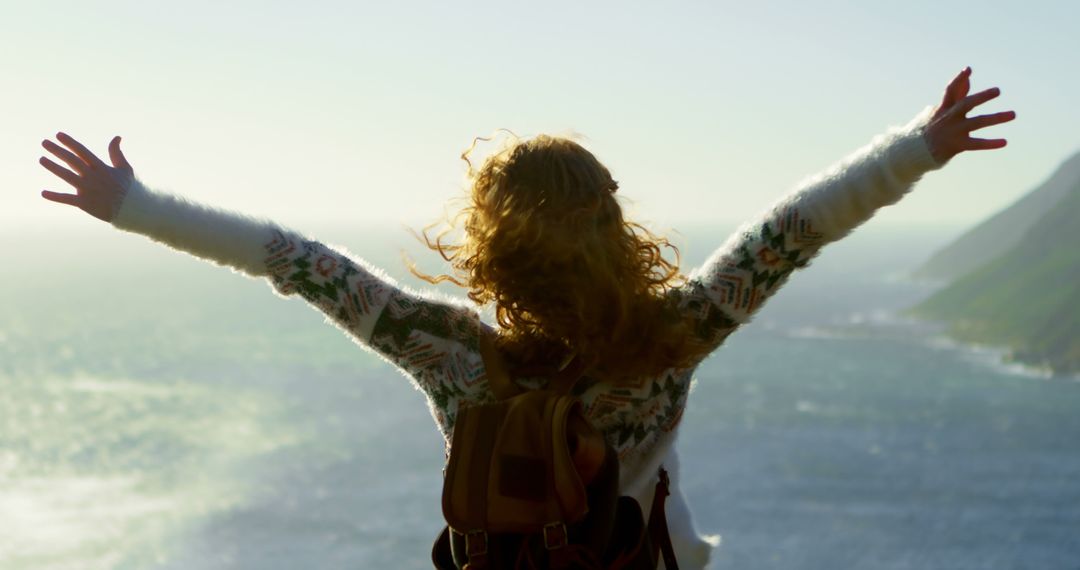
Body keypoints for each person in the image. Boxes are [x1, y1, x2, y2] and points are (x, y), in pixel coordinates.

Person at [39, 67, 1014, 569]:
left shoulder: (449, 350)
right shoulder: (670, 337)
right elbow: (789, 233)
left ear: (489, 238)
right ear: (613, 220)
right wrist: (918, 147)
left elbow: (297, 263)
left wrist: (134, 207)